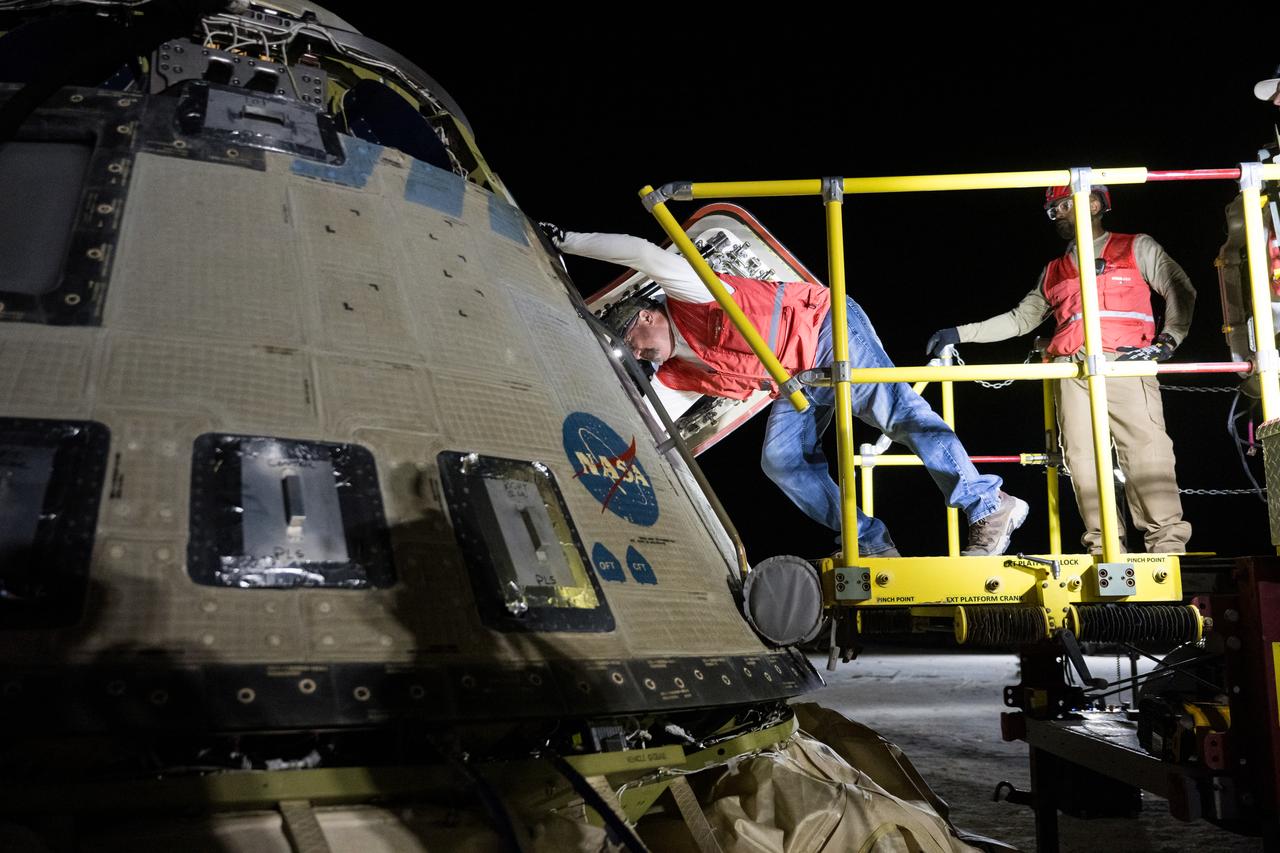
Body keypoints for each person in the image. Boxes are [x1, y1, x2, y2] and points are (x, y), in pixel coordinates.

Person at [543, 225, 1029, 557]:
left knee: (898, 413)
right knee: (781, 460)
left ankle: (989, 504)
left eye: (636, 345)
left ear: (646, 316)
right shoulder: (675, 374)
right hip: (795, 381)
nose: (643, 357)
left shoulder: (689, 296)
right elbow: (649, 430)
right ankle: (871, 542)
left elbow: (644, 253)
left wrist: (567, 240)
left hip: (825, 330)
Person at [926, 186, 1194, 554]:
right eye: (1053, 209)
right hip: (1071, 372)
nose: (1058, 215)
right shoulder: (1055, 269)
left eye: (1064, 205)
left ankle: (1166, 546)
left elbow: (1180, 288)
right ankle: (1104, 548)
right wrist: (960, 333)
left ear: (1095, 204)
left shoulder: (1135, 247)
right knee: (1081, 460)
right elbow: (1022, 319)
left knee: (1147, 453)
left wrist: (1168, 340)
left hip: (1123, 366)